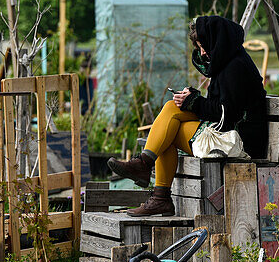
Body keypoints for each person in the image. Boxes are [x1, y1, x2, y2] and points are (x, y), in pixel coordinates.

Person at [107, 15, 267, 217]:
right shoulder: (228, 60)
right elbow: (221, 107)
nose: (202, 52)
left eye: (203, 46)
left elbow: (227, 114)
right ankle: (151, 181)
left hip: (239, 141)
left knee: (169, 131)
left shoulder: (235, 67)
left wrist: (195, 102)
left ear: (215, 41)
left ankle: (155, 188)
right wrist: (192, 98)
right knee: (171, 110)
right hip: (228, 131)